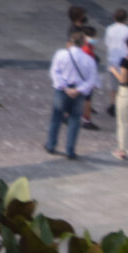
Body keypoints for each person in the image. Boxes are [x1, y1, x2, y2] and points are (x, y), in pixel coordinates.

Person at [46, 28, 98, 159]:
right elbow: (92, 80)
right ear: (83, 43)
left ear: (69, 42)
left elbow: (54, 72)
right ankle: (70, 150)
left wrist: (64, 86)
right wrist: (79, 89)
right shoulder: (89, 60)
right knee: (75, 120)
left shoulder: (60, 54)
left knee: (56, 117)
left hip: (62, 90)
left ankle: (51, 145)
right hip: (78, 92)